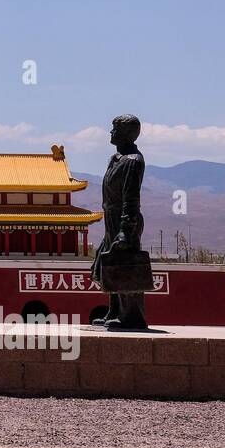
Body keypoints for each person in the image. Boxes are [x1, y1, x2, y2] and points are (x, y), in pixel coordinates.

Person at [91, 115, 150, 331]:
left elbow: (131, 197)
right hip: (111, 219)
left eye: (114, 128)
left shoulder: (133, 160)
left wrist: (126, 230)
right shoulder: (115, 158)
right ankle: (114, 311)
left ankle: (132, 316)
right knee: (111, 264)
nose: (111, 132)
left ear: (127, 133)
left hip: (126, 220)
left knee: (126, 267)